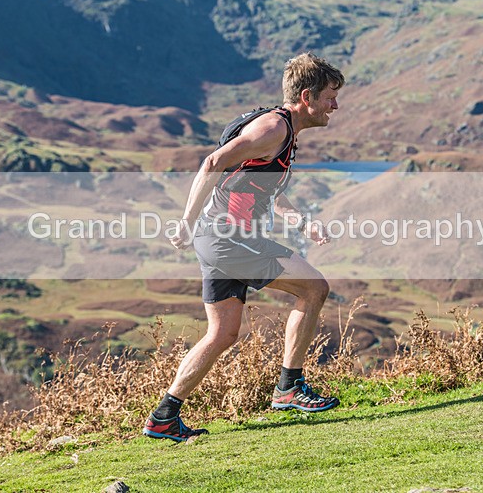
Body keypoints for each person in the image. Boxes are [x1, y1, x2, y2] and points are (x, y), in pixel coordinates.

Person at [143, 52, 345, 442]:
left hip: (218, 238)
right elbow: (213, 162)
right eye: (330, 97)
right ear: (307, 96)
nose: (334, 106)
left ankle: (163, 417)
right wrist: (185, 223)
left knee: (222, 334)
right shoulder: (274, 129)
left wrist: (302, 222)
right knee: (315, 287)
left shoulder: (281, 130)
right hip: (229, 238)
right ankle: (289, 388)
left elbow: (258, 186)